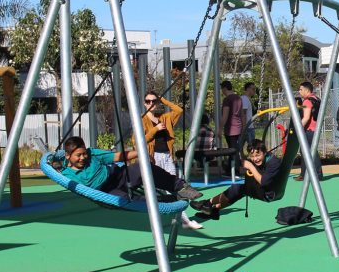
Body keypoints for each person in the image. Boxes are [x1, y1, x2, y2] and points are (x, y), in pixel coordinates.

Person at [60, 135, 203, 202]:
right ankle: (165, 200)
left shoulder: (92, 154)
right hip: (105, 191)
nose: (83, 157)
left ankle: (180, 187)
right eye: (78, 155)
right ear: (68, 156)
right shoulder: (66, 175)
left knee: (143, 168)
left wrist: (141, 152)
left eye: (84, 153)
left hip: (118, 175)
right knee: (124, 200)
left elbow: (118, 157)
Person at [142, 93, 202, 230]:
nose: (151, 103)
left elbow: (179, 110)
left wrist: (162, 99)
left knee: (176, 187)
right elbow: (139, 140)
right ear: (144, 103)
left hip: (167, 156)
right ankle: (158, 220)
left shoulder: (165, 118)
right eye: (148, 101)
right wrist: (154, 129)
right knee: (154, 190)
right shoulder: (142, 119)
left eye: (154, 101)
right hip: (153, 157)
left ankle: (184, 220)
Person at [189, 139, 281, 220]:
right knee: (238, 190)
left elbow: (264, 182)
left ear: (265, 152)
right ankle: (214, 209)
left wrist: (250, 167)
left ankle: (207, 203)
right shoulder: (261, 161)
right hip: (262, 190)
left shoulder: (273, 162)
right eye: (252, 156)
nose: (255, 159)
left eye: (258, 155)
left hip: (269, 194)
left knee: (237, 188)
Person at [295, 81, 323, 181]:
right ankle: (304, 173)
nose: (299, 91)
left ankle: (317, 174)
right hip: (316, 129)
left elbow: (306, 117)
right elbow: (309, 109)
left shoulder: (307, 101)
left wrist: (297, 128)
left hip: (309, 130)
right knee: (306, 151)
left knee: (309, 152)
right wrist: (299, 107)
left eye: (301, 89)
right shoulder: (316, 99)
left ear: (307, 90)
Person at [219, 81, 245, 174]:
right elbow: (242, 114)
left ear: (225, 88)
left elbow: (225, 116)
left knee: (232, 150)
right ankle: (231, 169)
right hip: (238, 127)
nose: (222, 91)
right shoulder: (238, 98)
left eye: (222, 89)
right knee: (235, 149)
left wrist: (220, 129)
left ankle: (234, 170)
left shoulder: (227, 100)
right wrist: (243, 127)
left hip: (230, 129)